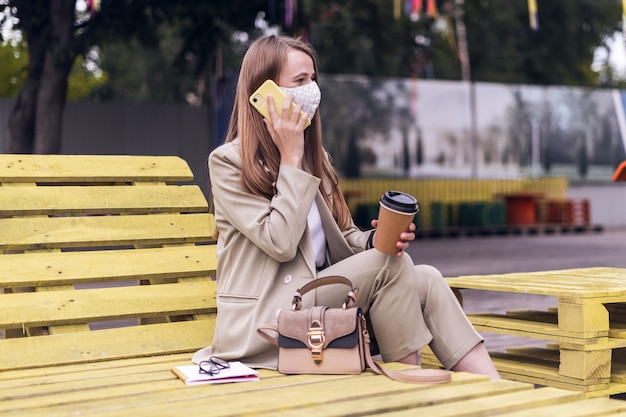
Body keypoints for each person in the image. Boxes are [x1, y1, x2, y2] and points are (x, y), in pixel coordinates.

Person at [193, 35, 500, 380]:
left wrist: (374, 241)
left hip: (319, 299)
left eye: (313, 79)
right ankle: (408, 388)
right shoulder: (229, 163)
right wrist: (291, 159)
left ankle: (495, 389)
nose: (312, 90)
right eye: (299, 81)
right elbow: (279, 243)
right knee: (389, 266)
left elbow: (342, 236)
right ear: (265, 95)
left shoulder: (316, 159)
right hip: (265, 320)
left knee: (425, 277)